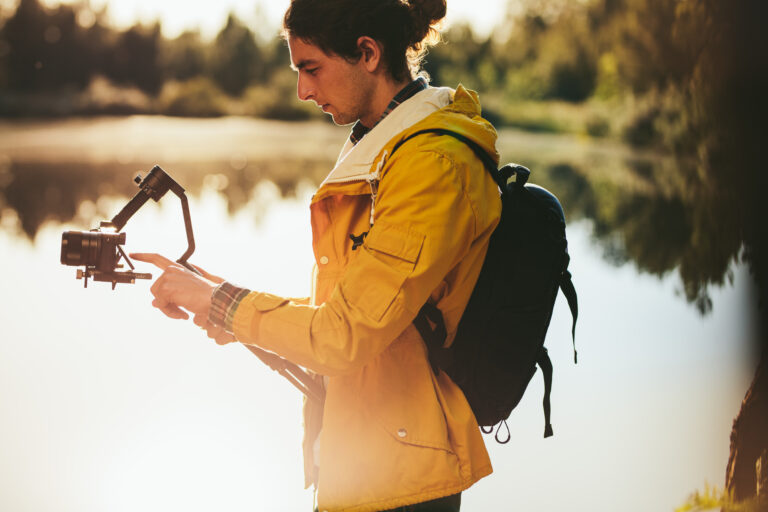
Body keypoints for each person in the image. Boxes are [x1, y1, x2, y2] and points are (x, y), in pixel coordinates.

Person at [132, 0, 502, 510]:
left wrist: (222, 303)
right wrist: (219, 299)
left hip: (402, 485)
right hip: (358, 464)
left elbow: (340, 338)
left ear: (367, 53)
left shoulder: (432, 166)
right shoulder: (381, 145)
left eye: (311, 69)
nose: (303, 91)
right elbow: (349, 314)